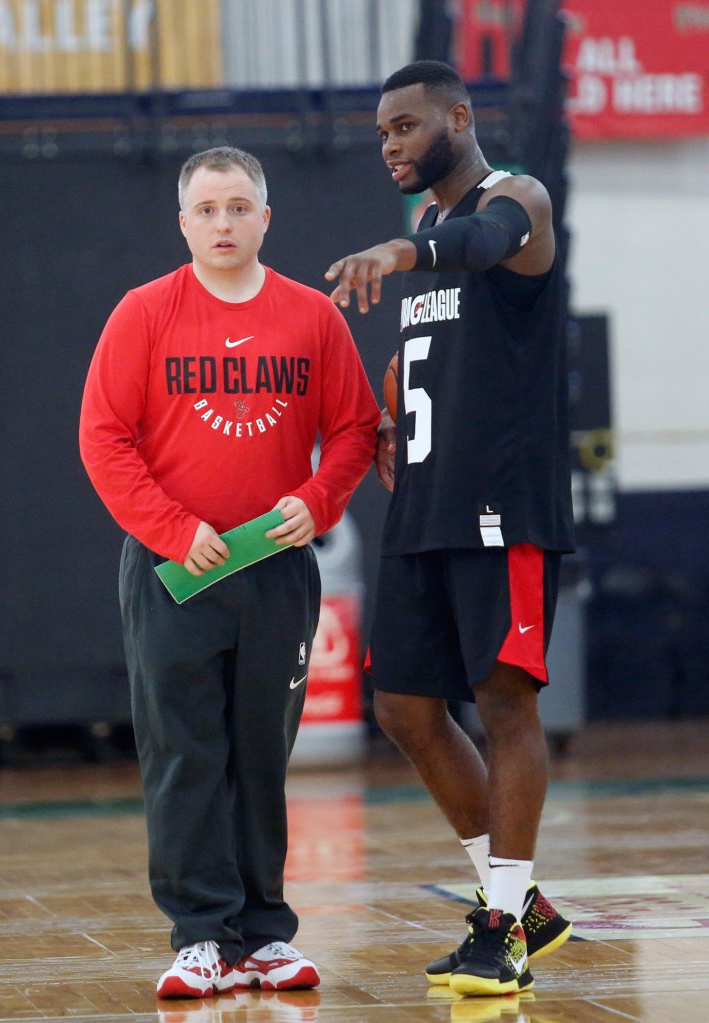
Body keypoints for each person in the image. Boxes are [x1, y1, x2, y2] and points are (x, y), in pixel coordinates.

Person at [80, 146, 380, 1000]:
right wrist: (174, 530)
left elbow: (356, 426)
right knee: (183, 750)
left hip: (277, 573)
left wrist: (320, 500)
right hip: (176, 572)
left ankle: (263, 935)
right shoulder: (143, 313)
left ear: (265, 217)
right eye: (207, 209)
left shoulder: (312, 317)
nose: (223, 223)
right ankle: (197, 936)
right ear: (183, 222)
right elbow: (103, 438)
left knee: (260, 751)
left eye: (239, 207)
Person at [325, 61, 576, 998]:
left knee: (504, 702)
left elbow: (483, 244)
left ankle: (502, 928)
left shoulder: (516, 200)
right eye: (381, 133)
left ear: (458, 118)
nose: (389, 144)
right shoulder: (429, 227)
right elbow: (437, 329)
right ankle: (525, 911)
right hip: (423, 502)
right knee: (402, 708)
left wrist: (398, 256)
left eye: (404, 125)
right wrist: (391, 398)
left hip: (499, 502)